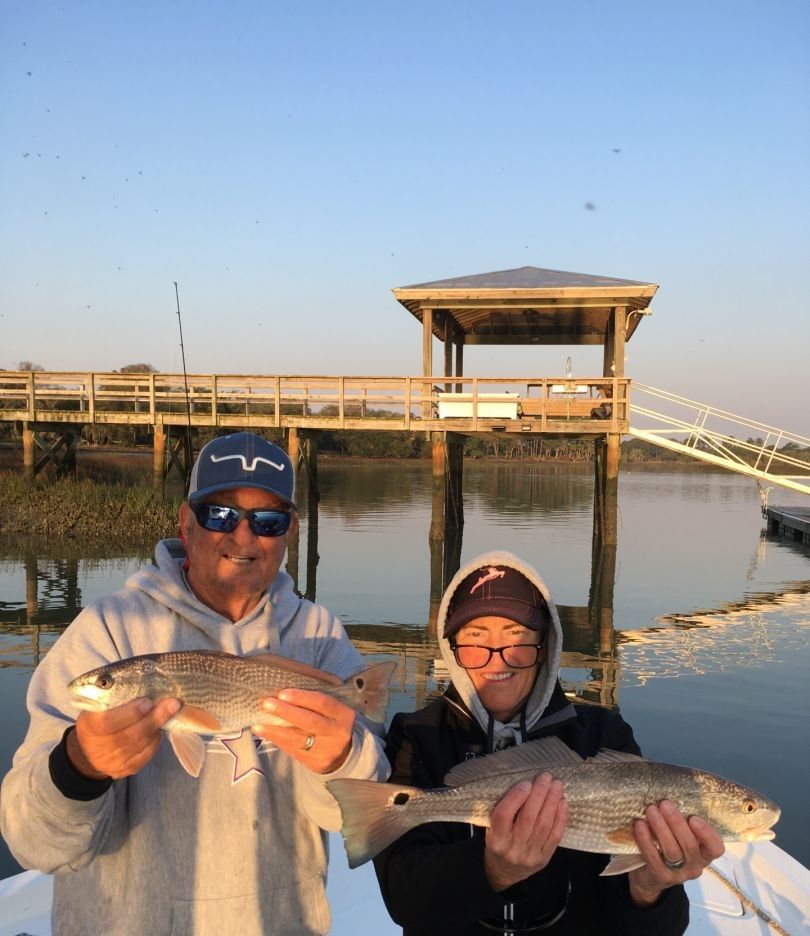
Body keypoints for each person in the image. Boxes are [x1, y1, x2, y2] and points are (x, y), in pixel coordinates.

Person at [1, 431, 390, 936]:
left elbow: (357, 817)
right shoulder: (107, 630)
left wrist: (342, 758)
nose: (243, 538)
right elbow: (33, 844)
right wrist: (78, 769)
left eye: (267, 521)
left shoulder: (319, 635)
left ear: (291, 532)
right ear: (185, 522)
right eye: (219, 515)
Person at [373, 550, 724, 935]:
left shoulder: (604, 735)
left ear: (545, 646)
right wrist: (492, 870)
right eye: (475, 637)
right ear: (451, 645)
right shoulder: (416, 735)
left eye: (517, 637)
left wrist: (649, 889)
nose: (497, 660)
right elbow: (405, 901)